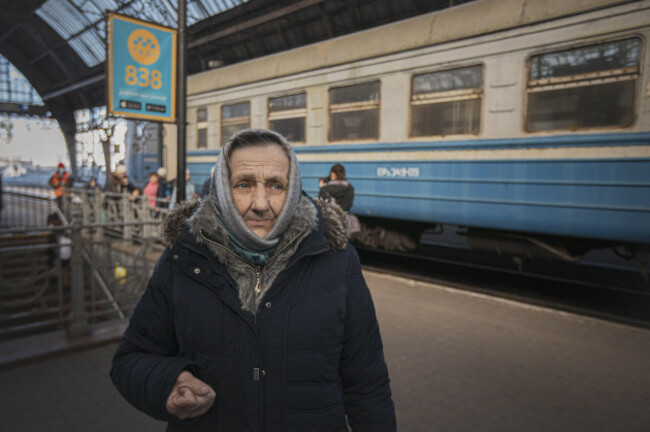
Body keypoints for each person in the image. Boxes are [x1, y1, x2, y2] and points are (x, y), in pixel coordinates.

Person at [110, 128, 396, 431]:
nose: (261, 203)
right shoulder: (183, 258)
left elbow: (368, 384)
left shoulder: (336, 261)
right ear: (221, 188)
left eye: (275, 185)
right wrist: (168, 381)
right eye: (244, 184)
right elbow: (131, 358)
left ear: (294, 187)